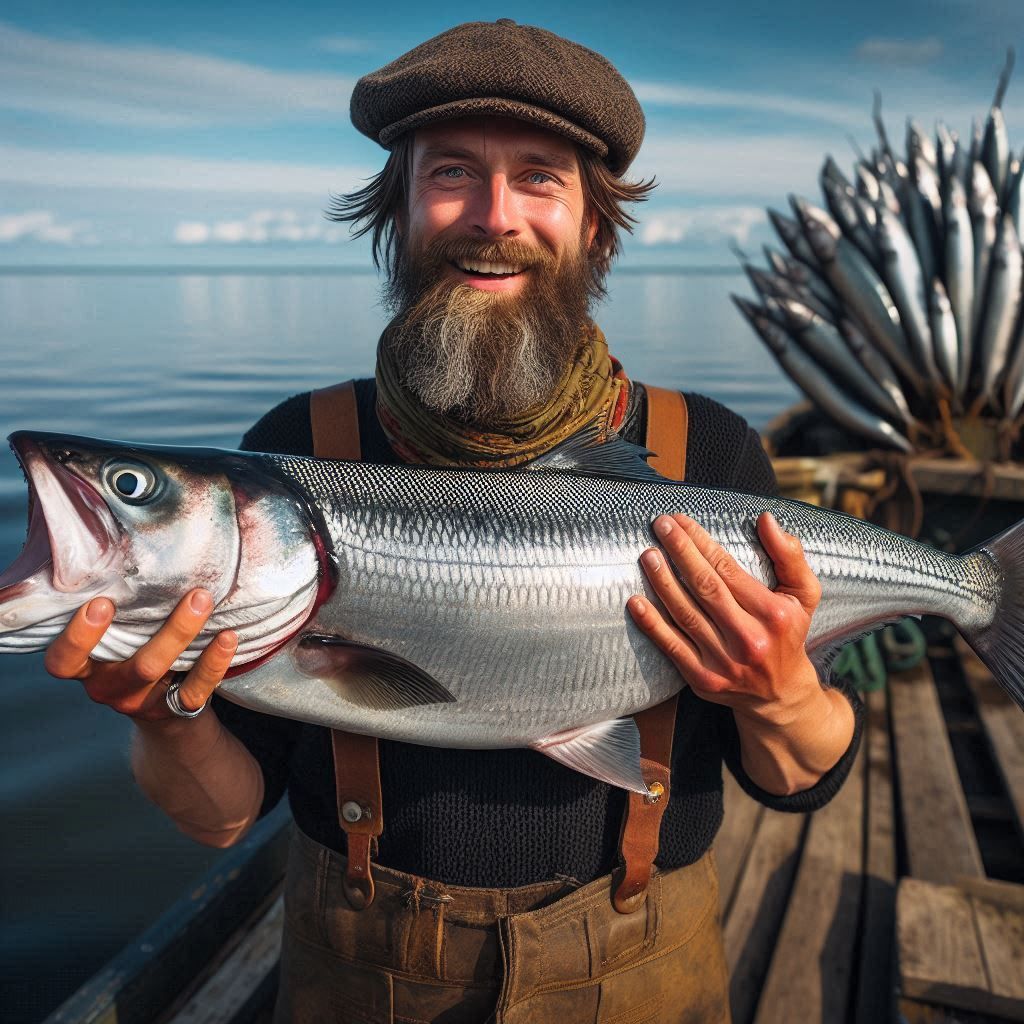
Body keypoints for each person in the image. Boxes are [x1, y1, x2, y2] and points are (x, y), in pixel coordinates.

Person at [44, 20, 860, 1023]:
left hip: (648, 967)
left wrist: (779, 696)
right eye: (452, 174)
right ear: (396, 211)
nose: (493, 216)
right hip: (359, 973)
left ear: (595, 226)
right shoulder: (297, 447)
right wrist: (160, 711)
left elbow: (796, 778)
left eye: (539, 180)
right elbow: (222, 818)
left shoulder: (710, 454)